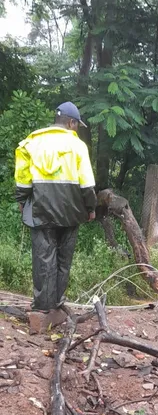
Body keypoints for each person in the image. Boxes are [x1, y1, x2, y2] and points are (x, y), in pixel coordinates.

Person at [15, 101, 97, 312]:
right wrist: (91, 208)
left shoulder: (31, 143)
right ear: (71, 122)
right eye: (77, 124)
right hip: (72, 213)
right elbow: (87, 184)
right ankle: (58, 300)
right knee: (63, 258)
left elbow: (23, 179)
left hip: (40, 210)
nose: (77, 128)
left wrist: (22, 201)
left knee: (43, 258)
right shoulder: (78, 146)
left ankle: (43, 306)